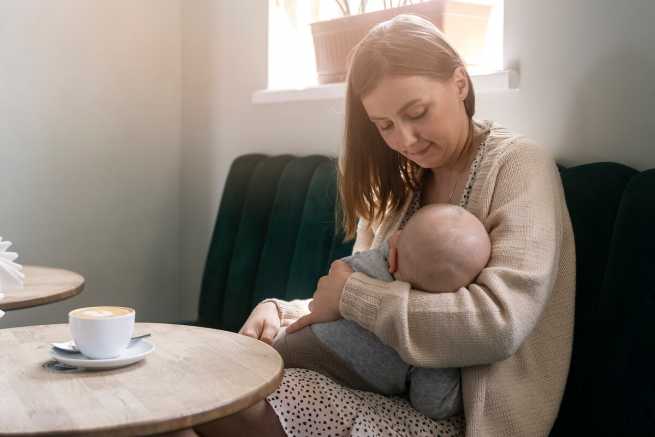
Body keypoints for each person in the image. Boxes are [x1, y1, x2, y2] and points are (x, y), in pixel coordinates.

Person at [165, 13, 575, 437]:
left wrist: (353, 296)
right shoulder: (408, 181)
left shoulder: (517, 167)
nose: (407, 140)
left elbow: (496, 324)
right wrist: (281, 311)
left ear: (459, 82)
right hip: (379, 386)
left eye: (417, 112)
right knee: (190, 402)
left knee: (226, 407)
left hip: (457, 418)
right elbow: (363, 289)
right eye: (385, 126)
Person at [272, 203, 491, 420]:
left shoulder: (368, 265)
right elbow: (434, 405)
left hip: (292, 345)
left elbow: (328, 288)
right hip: (323, 379)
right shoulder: (428, 339)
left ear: (393, 254)